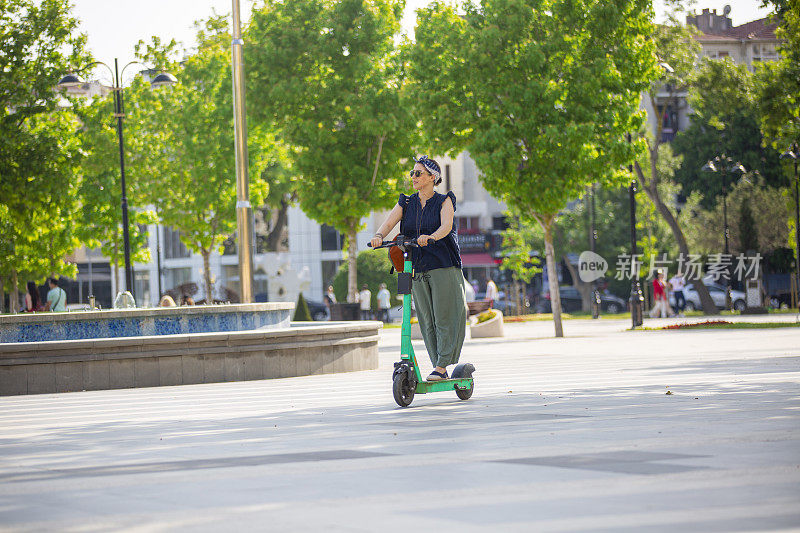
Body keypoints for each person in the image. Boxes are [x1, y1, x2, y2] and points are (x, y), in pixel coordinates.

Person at [370, 155, 465, 381]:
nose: (413, 177)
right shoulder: (407, 202)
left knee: (444, 316)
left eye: (418, 173)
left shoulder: (444, 201)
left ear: (433, 177)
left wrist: (431, 237)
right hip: (418, 266)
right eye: (412, 173)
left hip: (443, 265)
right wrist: (378, 235)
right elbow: (389, 222)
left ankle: (442, 366)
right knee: (426, 318)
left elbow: (447, 226)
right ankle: (438, 365)